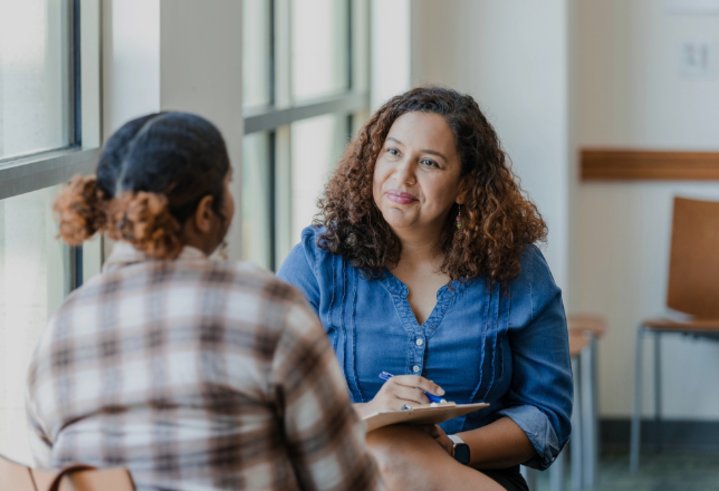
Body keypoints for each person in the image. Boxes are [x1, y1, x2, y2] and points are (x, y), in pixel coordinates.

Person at [26, 112, 382, 491]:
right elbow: (344, 481)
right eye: (229, 185)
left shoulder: (61, 329)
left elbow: (51, 473)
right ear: (204, 213)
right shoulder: (267, 308)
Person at [278, 87, 572, 491]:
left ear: (466, 185)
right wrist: (368, 413)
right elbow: (271, 403)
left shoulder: (517, 269)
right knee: (384, 451)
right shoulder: (317, 263)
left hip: (468, 474)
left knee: (393, 458)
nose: (402, 176)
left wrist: (454, 447)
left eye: (429, 163)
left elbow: (547, 416)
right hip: (346, 473)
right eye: (393, 153)